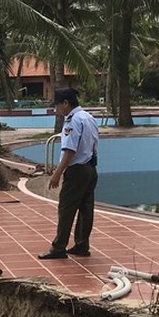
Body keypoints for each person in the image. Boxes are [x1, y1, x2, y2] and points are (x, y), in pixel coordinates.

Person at [39, 88, 99, 259]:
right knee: (86, 209)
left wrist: (57, 173)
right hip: (90, 168)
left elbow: (70, 150)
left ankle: (58, 247)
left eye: (58, 105)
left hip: (77, 170)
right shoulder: (89, 118)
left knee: (66, 208)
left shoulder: (72, 121)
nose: (57, 110)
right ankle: (82, 245)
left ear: (66, 103)